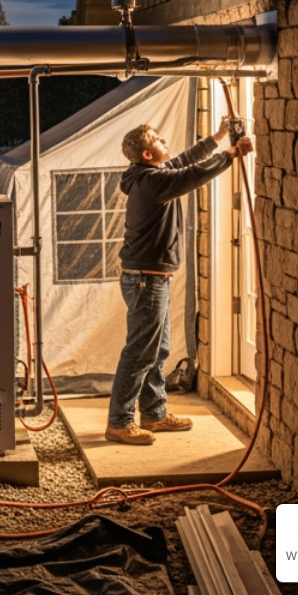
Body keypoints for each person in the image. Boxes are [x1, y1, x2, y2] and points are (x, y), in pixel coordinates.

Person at [106, 116, 252, 446]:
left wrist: (217, 136)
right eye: (158, 139)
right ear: (146, 154)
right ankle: (118, 422)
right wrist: (231, 154)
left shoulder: (151, 175)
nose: (165, 143)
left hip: (152, 279)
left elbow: (184, 160)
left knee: (157, 350)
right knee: (140, 353)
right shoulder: (153, 183)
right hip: (146, 281)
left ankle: (155, 415)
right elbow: (191, 174)